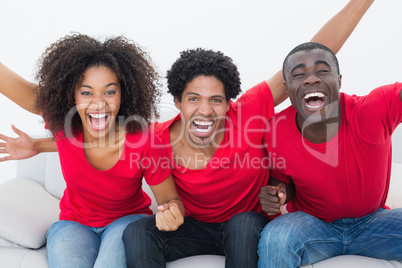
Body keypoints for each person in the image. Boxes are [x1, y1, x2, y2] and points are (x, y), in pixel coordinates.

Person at [0, 1, 374, 267]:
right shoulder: (155, 137)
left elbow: (312, 55)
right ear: (178, 101)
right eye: (194, 99)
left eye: (216, 100)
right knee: (139, 234)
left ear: (230, 103)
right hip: (190, 228)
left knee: (243, 224)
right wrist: (40, 145)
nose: (205, 110)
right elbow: (86, 135)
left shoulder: (249, 112)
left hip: (244, 224)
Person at [0, 34, 184, 268]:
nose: (98, 104)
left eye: (109, 92)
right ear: (72, 95)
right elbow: (8, 82)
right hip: (74, 223)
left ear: (123, 94)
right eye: (86, 92)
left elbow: (170, 200)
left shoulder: (145, 141)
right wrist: (37, 146)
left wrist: (173, 213)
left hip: (127, 221)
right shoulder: (65, 126)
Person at [258, 41, 402, 267]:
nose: (311, 79)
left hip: (375, 224)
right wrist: (279, 194)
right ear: (287, 90)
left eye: (322, 71)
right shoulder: (275, 130)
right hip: (313, 227)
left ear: (339, 81)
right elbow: (284, 183)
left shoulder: (372, 110)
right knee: (276, 238)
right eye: (299, 74)